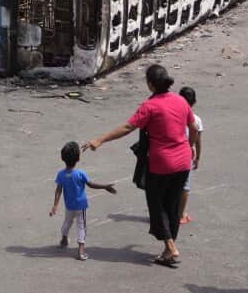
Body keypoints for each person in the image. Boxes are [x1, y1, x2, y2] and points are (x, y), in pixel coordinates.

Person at [84, 64, 198, 266]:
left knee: (157, 205)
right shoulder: (181, 101)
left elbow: (128, 127)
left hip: (161, 164)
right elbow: (194, 126)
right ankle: (167, 249)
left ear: (151, 84)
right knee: (173, 206)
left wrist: (100, 140)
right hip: (183, 163)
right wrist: (189, 147)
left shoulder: (149, 106)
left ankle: (171, 247)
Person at [49, 141, 117, 260]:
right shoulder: (80, 174)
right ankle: (81, 252)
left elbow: (58, 190)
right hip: (81, 206)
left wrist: (55, 205)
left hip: (69, 206)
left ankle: (64, 239)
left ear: (62, 158)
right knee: (81, 227)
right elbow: (91, 185)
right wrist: (105, 186)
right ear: (78, 159)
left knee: (67, 223)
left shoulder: (61, 175)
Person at [178, 86, 203, 224]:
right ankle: (180, 215)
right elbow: (198, 141)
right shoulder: (196, 119)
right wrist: (198, 157)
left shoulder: (172, 116)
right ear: (194, 102)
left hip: (172, 153)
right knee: (185, 186)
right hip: (186, 155)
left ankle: (167, 212)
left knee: (170, 185)